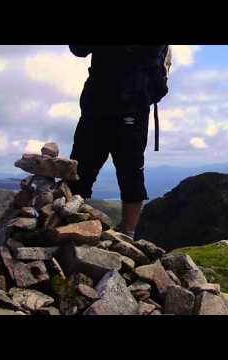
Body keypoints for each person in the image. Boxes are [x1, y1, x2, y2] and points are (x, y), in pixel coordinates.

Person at [68, 45, 166, 240]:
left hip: (129, 103)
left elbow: (150, 53)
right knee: (80, 171)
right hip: (101, 104)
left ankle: (128, 236)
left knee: (129, 172)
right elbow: (78, 49)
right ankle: (69, 224)